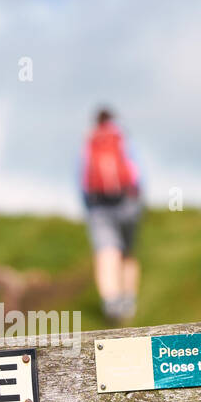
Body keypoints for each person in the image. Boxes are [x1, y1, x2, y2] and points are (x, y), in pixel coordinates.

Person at [80, 107, 142, 323]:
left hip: (98, 207)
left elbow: (80, 176)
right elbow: (138, 171)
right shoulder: (121, 137)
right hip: (127, 203)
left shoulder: (90, 140)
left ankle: (111, 302)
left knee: (106, 251)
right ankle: (128, 300)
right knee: (128, 252)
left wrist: (88, 207)